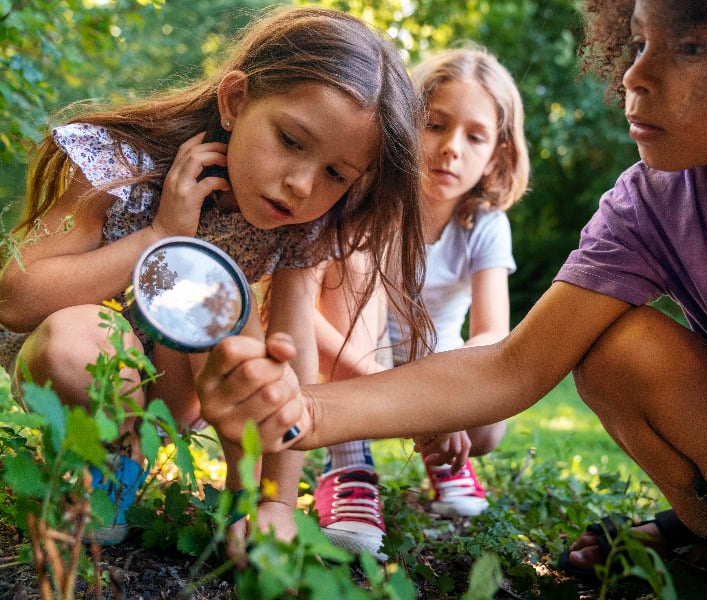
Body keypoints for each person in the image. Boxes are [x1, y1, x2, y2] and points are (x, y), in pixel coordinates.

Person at [197, 0, 707, 586]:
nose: (636, 75)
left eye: (687, 49)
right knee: (617, 350)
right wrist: (297, 410)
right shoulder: (650, 203)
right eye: (637, 41)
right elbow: (511, 365)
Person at [0, 6, 431, 545]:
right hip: (75, 363)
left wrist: (276, 501)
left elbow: (289, 357)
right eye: (292, 141)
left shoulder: (299, 228)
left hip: (180, 389)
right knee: (79, 339)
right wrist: (158, 236)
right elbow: (14, 301)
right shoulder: (121, 165)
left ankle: (246, 500)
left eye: (335, 174)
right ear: (234, 101)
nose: (301, 184)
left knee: (228, 313)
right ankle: (107, 465)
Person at [301, 47, 529, 558]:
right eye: (435, 125)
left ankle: (444, 455)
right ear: (405, 124)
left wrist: (446, 404)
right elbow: (302, 320)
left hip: (434, 367)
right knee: (356, 265)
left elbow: (493, 334)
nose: (452, 149)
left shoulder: (485, 224)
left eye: (475, 137)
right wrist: (409, 407)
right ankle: (349, 461)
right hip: (352, 359)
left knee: (490, 423)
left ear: (497, 154)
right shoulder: (365, 201)